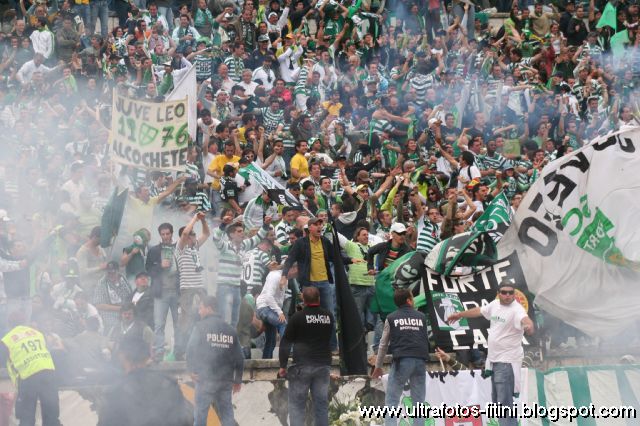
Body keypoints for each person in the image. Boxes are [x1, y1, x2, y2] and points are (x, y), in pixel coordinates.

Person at [447, 280, 535, 426]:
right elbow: (480, 310)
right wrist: (460, 314)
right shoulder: (494, 304)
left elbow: (526, 320)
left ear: (514, 294)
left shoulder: (516, 309)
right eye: (504, 292)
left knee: (504, 404)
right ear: (498, 293)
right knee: (498, 403)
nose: (507, 295)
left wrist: (529, 326)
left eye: (510, 292)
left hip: (507, 362)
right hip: (495, 361)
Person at [98, 337, 192, 426]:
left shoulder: (114, 392)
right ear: (148, 357)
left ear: (122, 357)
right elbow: (185, 421)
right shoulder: (169, 385)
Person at [372, 289, 429, 426]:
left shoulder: (391, 318)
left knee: (392, 402)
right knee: (419, 403)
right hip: (420, 360)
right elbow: (424, 339)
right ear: (409, 300)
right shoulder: (421, 317)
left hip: (402, 361)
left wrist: (378, 366)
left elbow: (383, 344)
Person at [278, 287, 334, 426]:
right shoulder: (328, 316)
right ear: (319, 298)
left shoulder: (298, 317)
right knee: (321, 405)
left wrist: (282, 366)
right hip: (323, 366)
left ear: (303, 299)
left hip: (301, 367)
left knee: (297, 406)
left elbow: (285, 342)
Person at [281, 216, 338, 351]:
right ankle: (306, 347)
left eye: (321, 225)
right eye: (316, 224)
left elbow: (335, 257)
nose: (319, 227)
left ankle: (332, 346)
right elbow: (290, 259)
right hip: (309, 284)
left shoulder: (325, 241)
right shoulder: (301, 243)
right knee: (307, 317)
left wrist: (350, 260)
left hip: (324, 284)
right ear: (309, 228)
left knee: (330, 315)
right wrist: (284, 276)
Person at [186, 296, 244, 426]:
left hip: (205, 379)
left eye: (201, 308)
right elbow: (240, 358)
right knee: (227, 416)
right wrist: (238, 380)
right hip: (225, 381)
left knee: (200, 417)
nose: (199, 312)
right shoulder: (230, 330)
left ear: (209, 308)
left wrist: (191, 370)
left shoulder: (200, 327)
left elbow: (190, 349)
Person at [0, 312, 59, 426]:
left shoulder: (6, 340)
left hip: (28, 377)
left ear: (9, 324)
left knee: (27, 416)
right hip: (49, 373)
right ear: (25, 322)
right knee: (51, 414)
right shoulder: (37, 333)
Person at [174, 212, 210, 360]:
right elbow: (184, 233)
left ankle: (202, 350)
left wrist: (203, 220)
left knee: (206, 317)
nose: (194, 236)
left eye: (194, 235)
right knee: (185, 320)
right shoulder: (180, 248)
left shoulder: (195, 247)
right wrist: (195, 218)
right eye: (192, 234)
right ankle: (180, 351)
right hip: (187, 288)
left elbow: (207, 233)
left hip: (200, 287)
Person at [146, 223, 180, 362]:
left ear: (172, 234)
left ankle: (179, 350)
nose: (165, 236)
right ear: (160, 235)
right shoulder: (154, 250)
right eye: (163, 234)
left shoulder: (179, 247)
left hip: (177, 292)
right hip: (161, 292)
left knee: (179, 323)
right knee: (159, 324)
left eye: (168, 233)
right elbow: (148, 269)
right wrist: (160, 266)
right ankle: (159, 351)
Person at [256, 265, 297, 359]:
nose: (297, 274)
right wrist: (280, 312)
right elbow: (268, 297)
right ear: (292, 268)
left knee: (271, 340)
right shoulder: (275, 276)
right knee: (283, 324)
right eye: (298, 270)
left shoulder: (284, 279)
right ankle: (289, 351)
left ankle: (266, 360)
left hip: (269, 308)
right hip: (264, 307)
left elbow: (279, 299)